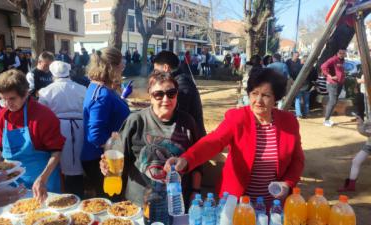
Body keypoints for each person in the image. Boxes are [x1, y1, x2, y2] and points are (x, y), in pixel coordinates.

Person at [165, 68, 305, 206]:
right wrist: (186, 159)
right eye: (254, 93)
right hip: (236, 202)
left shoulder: (289, 122)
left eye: (266, 95)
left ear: (276, 98)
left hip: (273, 203)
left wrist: (288, 184)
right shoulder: (237, 118)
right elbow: (214, 141)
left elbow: (297, 159)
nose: (258, 100)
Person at [100, 71, 201, 207]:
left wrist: (195, 191)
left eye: (171, 93)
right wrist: (106, 166)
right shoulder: (136, 121)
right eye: (159, 94)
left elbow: (197, 163)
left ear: (177, 94)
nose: (166, 99)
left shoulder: (188, 122)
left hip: (176, 203)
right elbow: (117, 157)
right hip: (139, 203)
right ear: (150, 97)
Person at [0, 69, 65, 203]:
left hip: (42, 180)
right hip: (12, 182)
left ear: (25, 94)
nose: (7, 104)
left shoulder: (43, 116)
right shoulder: (3, 115)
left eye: (12, 98)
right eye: (3, 99)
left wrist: (42, 179)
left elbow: (56, 151)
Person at [82, 47, 130, 197]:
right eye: (122, 63)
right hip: (103, 160)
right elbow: (95, 136)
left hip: (108, 156)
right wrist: (117, 149)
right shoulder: (101, 94)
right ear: (112, 67)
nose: (123, 67)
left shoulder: (101, 88)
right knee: (113, 205)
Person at [39, 61, 87, 198]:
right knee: (76, 160)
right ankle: (76, 192)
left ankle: (70, 193)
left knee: (63, 161)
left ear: (53, 74)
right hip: (80, 128)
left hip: (59, 128)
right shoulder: (82, 88)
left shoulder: (46, 91)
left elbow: (42, 113)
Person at [153, 51, 206, 138]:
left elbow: (174, 112)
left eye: (156, 71)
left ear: (166, 67)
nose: (155, 74)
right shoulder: (178, 80)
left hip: (191, 140)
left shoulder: (182, 83)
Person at [338, 117, 371, 192]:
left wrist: (361, 125)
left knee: (356, 161)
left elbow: (366, 132)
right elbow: (366, 131)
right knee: (356, 161)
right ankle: (351, 185)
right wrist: (361, 123)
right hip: (369, 144)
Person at [321, 48, 347, 127]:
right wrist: (330, 76)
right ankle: (326, 120)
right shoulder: (333, 59)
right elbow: (323, 66)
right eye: (341, 53)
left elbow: (339, 70)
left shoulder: (342, 60)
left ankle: (328, 119)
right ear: (337, 53)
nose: (342, 54)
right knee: (332, 101)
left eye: (344, 53)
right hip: (333, 84)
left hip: (339, 84)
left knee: (334, 101)